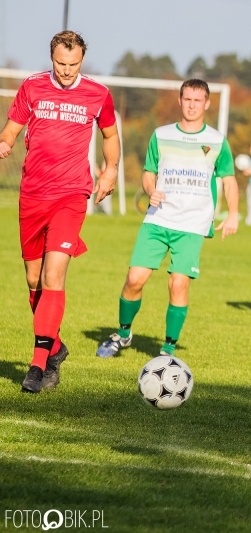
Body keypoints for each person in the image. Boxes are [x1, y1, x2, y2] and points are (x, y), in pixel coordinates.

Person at [0, 31, 120, 393]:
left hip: (71, 194)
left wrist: (110, 168)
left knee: (54, 276)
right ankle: (55, 345)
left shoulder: (98, 95)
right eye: (60, 64)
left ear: (82, 59)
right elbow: (11, 131)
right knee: (34, 283)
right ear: (51, 58)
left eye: (74, 64)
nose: (67, 71)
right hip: (33, 195)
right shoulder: (32, 88)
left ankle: (39, 367)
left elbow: (111, 136)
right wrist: (4, 143)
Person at [95, 79, 238, 359]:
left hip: (193, 224)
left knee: (178, 283)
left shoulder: (217, 141)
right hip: (158, 220)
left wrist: (233, 213)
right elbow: (149, 172)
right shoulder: (160, 135)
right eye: (187, 99)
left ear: (207, 103)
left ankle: (168, 350)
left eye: (198, 100)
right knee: (135, 279)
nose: (192, 105)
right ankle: (122, 335)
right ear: (180, 100)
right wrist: (151, 190)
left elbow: (229, 180)